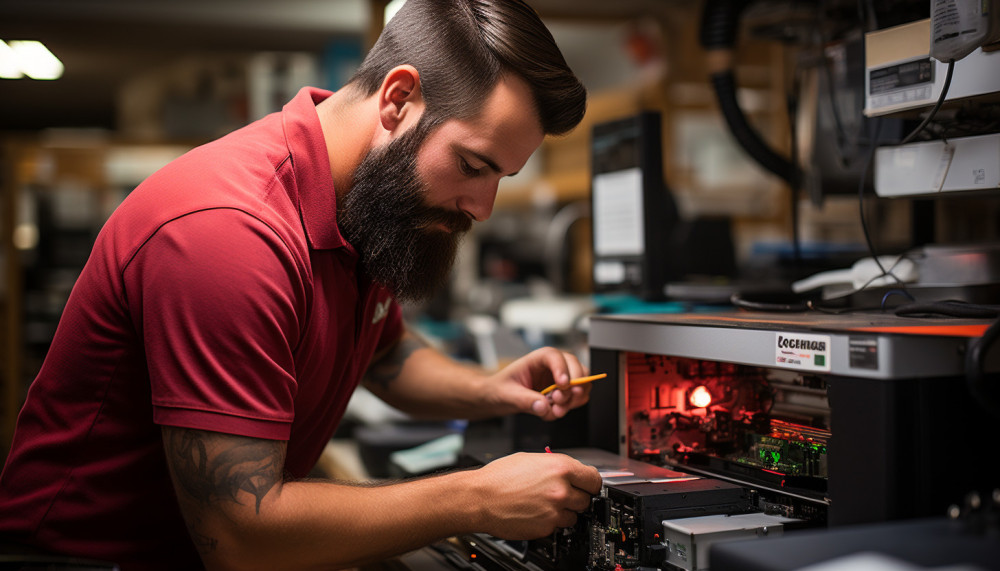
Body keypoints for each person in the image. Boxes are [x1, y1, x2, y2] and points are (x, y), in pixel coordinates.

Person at [0, 0, 604, 569]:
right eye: (474, 166)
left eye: (503, 176)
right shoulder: (228, 234)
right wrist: (476, 498)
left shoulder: (362, 203)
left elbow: (385, 353)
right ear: (398, 100)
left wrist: (491, 390)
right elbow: (241, 536)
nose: (484, 206)